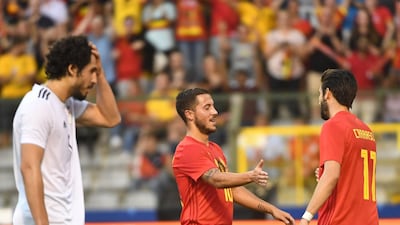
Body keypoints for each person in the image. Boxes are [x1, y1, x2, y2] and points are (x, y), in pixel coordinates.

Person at [12, 35, 121, 225]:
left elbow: (111, 118)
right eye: (92, 72)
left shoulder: (65, 105)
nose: (94, 79)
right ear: (72, 69)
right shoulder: (38, 105)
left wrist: (102, 74)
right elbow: (29, 167)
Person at [172, 88, 295, 225]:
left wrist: (271, 209)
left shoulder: (214, 148)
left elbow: (231, 189)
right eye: (207, 107)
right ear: (189, 114)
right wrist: (250, 176)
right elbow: (216, 180)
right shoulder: (187, 149)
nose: (215, 112)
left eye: (213, 106)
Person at [299, 69, 378, 225]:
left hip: (341, 220)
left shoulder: (333, 126)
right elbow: (351, 174)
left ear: (327, 93)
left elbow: (332, 176)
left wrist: (306, 217)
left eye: (319, 94)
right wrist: (325, 172)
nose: (319, 99)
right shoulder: (366, 130)